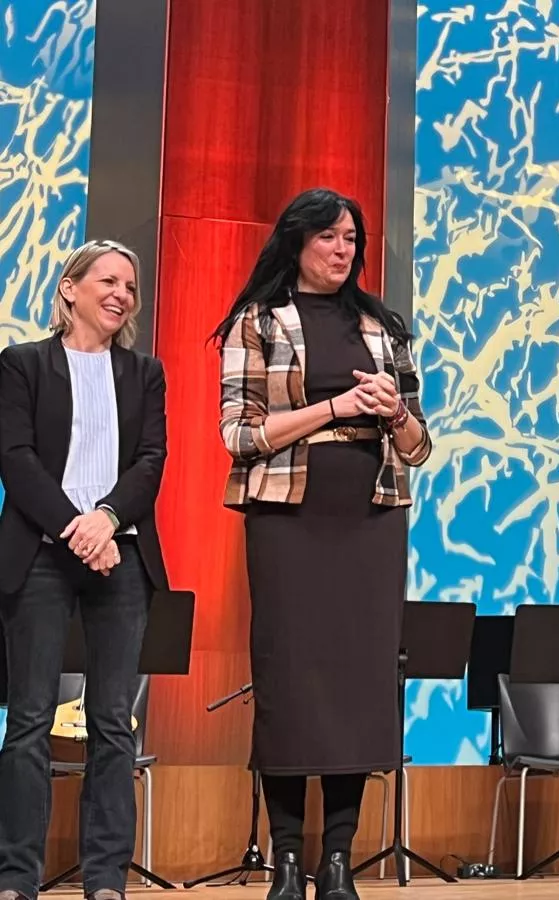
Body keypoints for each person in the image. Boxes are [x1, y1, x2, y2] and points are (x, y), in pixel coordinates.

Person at [212, 189, 432, 900]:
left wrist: (395, 411)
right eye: (332, 237)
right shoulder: (258, 321)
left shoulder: (382, 326)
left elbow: (421, 446)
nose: (344, 250)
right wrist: (335, 407)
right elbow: (239, 435)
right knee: (289, 686)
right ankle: (283, 859)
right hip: (288, 523)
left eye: (353, 240)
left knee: (357, 686)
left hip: (370, 522)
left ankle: (337, 861)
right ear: (298, 240)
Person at [0, 240, 169, 900]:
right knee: (29, 721)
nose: (123, 293)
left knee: (111, 725)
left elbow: (151, 462)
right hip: (40, 554)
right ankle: (17, 876)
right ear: (70, 289)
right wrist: (80, 528)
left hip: (120, 557)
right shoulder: (21, 365)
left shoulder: (144, 373)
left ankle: (106, 879)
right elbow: (16, 459)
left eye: (130, 284)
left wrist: (107, 520)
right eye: (108, 279)